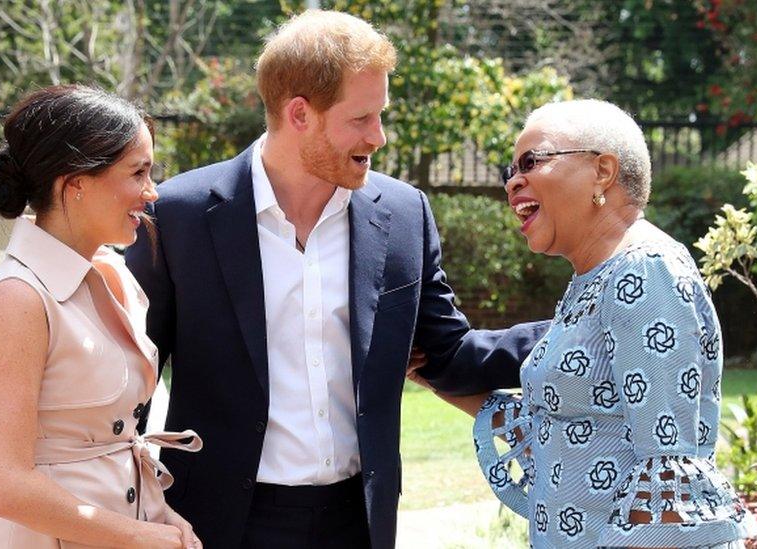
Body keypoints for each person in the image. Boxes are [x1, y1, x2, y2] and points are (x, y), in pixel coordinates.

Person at [124, 10, 548, 549]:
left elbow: (448, 352)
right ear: (299, 113)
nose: (380, 136)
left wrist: (582, 327)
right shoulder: (178, 217)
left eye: (381, 115)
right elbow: (130, 380)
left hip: (360, 521)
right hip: (216, 521)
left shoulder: (403, 213)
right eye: (362, 118)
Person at [409, 99, 757, 548]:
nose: (513, 182)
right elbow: (564, 435)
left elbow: (666, 474)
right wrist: (427, 374)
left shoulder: (645, 271)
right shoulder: (596, 278)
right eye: (510, 170)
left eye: (532, 161)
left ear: (603, 171)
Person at [0, 84, 203, 548]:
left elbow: (109, 444)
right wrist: (137, 536)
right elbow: (7, 487)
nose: (152, 192)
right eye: (138, 172)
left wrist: (163, 516)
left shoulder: (113, 272)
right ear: (74, 182)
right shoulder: (18, 298)